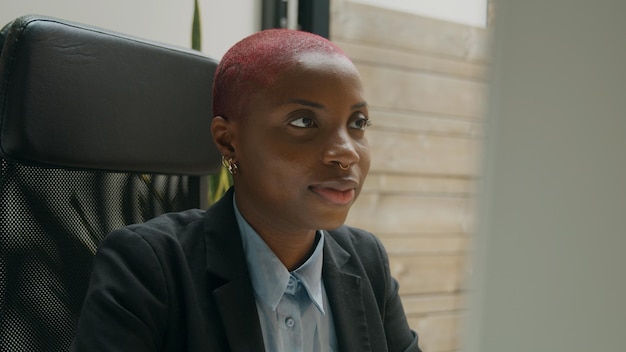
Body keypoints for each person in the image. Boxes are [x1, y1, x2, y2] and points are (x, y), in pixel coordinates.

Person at [71, 28, 421, 352]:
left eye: (357, 123)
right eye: (304, 121)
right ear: (229, 141)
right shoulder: (148, 267)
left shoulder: (367, 260)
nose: (346, 152)